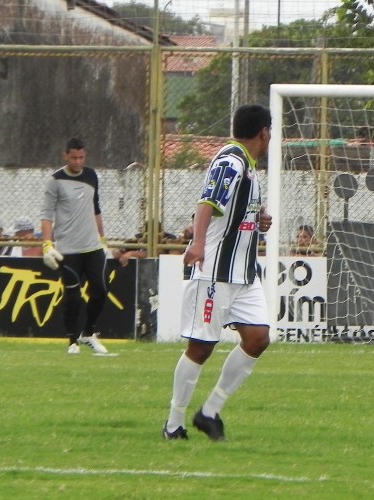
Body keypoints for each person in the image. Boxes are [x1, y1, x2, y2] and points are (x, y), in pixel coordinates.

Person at [163, 104, 273, 441]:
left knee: (258, 338)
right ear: (264, 133)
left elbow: (233, 214)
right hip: (215, 271)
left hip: (244, 274)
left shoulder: (249, 168)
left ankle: (209, 412)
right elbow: (207, 202)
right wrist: (197, 244)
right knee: (201, 348)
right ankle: (173, 424)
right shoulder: (232, 161)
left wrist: (259, 222)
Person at [40, 138, 110, 355]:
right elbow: (46, 215)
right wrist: (47, 244)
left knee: (100, 290)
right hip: (68, 249)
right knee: (73, 296)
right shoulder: (55, 181)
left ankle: (88, 333)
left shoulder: (91, 176)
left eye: (81, 157)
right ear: (65, 156)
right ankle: (72, 341)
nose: (78, 161)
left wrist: (103, 239)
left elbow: (96, 208)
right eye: (74, 158)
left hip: (92, 246)